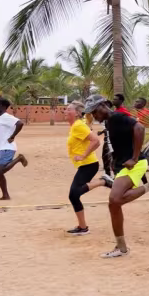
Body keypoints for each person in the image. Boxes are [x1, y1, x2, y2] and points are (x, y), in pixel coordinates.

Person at [86, 94, 149, 258]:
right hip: (122, 165)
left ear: (102, 106)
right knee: (114, 205)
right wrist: (114, 161)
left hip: (135, 164)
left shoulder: (117, 116)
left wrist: (135, 157)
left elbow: (140, 128)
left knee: (115, 199)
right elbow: (120, 141)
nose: (94, 117)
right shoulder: (110, 121)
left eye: (94, 112)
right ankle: (121, 247)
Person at [65, 101, 108, 235]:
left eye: (68, 110)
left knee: (74, 194)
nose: (65, 112)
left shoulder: (78, 126)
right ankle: (82, 227)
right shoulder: (75, 126)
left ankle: (103, 181)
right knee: (74, 195)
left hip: (88, 165)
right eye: (65, 110)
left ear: (77, 113)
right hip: (85, 165)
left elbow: (96, 141)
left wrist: (83, 155)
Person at [0, 98, 29, 200]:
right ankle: (5, 195)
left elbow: (19, 123)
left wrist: (12, 136)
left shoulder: (7, 117)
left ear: (3, 106)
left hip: (7, 147)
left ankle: (19, 158)